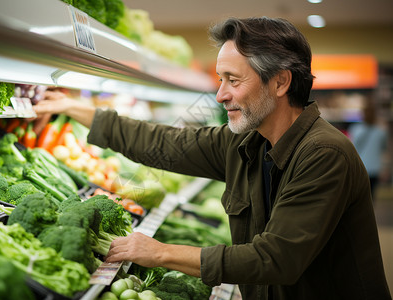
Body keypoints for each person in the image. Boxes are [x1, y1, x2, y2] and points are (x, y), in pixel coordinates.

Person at [33, 17, 391, 300]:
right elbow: (166, 143)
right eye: (220, 80)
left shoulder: (324, 154)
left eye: (233, 80)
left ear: (280, 82)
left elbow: (274, 258)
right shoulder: (247, 143)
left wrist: (159, 253)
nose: (220, 95)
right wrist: (78, 109)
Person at [348, 100, 388, 201]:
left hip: (360, 167)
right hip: (374, 169)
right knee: (371, 197)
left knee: (359, 198)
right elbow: (384, 148)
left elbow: (351, 148)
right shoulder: (381, 131)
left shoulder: (355, 129)